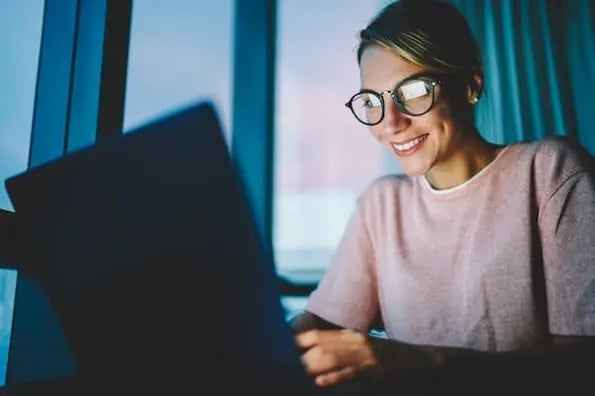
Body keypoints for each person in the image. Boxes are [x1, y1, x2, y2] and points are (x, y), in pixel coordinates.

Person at [290, 0, 595, 393]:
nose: (392, 123)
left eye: (413, 92)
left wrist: (409, 362)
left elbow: (582, 369)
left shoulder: (551, 173)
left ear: (472, 83)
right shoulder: (382, 206)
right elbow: (321, 323)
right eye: (373, 102)